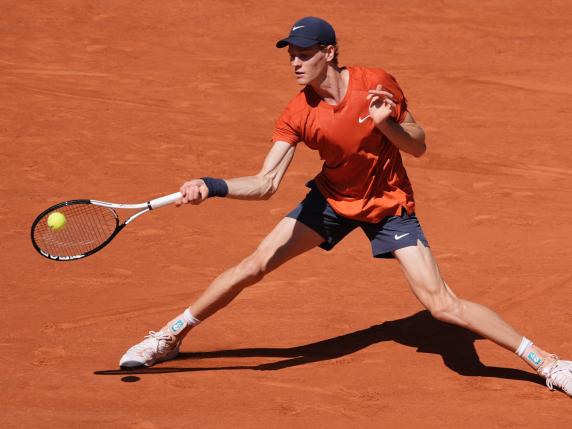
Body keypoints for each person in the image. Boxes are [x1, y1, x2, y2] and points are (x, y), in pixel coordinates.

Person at [119, 16, 571, 397]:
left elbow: (418, 147)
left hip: (388, 205)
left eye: (304, 52)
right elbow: (265, 183)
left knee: (441, 305)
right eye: (290, 54)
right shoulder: (298, 112)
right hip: (333, 201)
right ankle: (169, 337)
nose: (295, 62)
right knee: (253, 266)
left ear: (328, 52)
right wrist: (210, 185)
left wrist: (386, 124)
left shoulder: (376, 83)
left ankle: (548, 363)